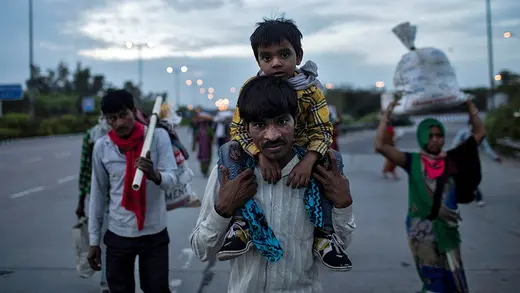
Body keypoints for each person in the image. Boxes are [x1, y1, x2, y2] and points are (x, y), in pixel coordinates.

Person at [190, 76, 355, 292]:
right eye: (259, 125)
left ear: (296, 119)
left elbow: (340, 243)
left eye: (282, 122)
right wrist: (223, 209)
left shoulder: (321, 173)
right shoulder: (231, 174)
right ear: (246, 128)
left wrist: (343, 205)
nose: (273, 135)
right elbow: (202, 250)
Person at [226, 17, 350, 270]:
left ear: (299, 55)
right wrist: (259, 155)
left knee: (335, 159)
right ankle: (240, 225)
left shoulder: (310, 90)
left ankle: (325, 235)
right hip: (260, 149)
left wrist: (308, 160)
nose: (276, 63)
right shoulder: (251, 89)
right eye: (267, 57)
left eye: (284, 54)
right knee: (227, 151)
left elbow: (323, 130)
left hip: (302, 153)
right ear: (258, 60)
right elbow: (238, 129)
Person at [374, 98, 485, 293]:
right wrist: (386, 116)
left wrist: (471, 108)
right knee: (433, 280)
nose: (435, 139)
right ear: (422, 136)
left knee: (454, 278)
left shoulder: (452, 158)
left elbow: (479, 134)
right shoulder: (412, 160)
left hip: (448, 230)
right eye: (430, 135)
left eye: (439, 135)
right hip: (421, 231)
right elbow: (381, 146)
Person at [87, 90, 178, 293]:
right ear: (106, 120)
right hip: (119, 233)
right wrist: (94, 241)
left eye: (123, 115)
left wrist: (154, 175)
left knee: (157, 289)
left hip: (154, 233)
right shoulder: (102, 147)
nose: (119, 123)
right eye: (112, 118)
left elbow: (172, 179)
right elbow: (98, 195)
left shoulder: (157, 137)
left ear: (133, 112)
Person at [76, 116, 111, 293]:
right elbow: (85, 167)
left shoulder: (126, 134)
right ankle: (106, 283)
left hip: (122, 199)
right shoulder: (92, 136)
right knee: (103, 242)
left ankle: (112, 281)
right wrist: (81, 199)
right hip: (99, 197)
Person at [451, 118, 502, 207]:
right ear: (469, 125)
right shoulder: (463, 133)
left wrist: (495, 157)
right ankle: (478, 197)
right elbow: (454, 144)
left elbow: (486, 148)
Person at [192, 112, 215, 177]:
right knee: (207, 159)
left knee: (203, 159)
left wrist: (194, 147)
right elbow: (212, 137)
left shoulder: (199, 130)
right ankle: (205, 170)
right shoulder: (209, 129)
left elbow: (195, 139)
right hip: (208, 147)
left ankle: (203, 170)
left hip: (202, 147)